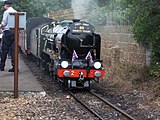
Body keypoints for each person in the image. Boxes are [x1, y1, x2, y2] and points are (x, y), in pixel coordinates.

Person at [0, 0, 17, 72]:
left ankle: (2, 66)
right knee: (13, 51)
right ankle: (14, 67)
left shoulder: (6, 12)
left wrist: (1, 26)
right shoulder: (16, 12)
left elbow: (4, 23)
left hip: (8, 32)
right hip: (15, 32)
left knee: (4, 49)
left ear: (6, 5)